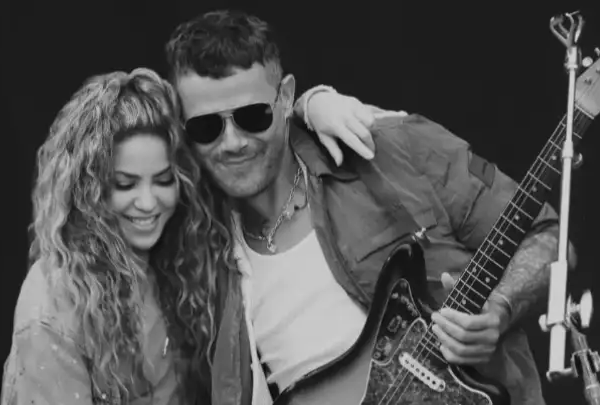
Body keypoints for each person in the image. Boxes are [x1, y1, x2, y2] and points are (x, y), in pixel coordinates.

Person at [165, 9, 577, 405]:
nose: (232, 142)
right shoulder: (195, 251)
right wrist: (313, 101)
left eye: (253, 116)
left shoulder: (392, 148)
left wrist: (498, 310)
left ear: (285, 96)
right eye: (206, 126)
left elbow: (546, 238)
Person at [0, 68, 379, 405]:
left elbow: (252, 148)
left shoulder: (184, 248)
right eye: (125, 184)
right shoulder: (53, 304)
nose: (148, 203)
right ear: (88, 189)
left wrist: (312, 106)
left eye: (163, 180)